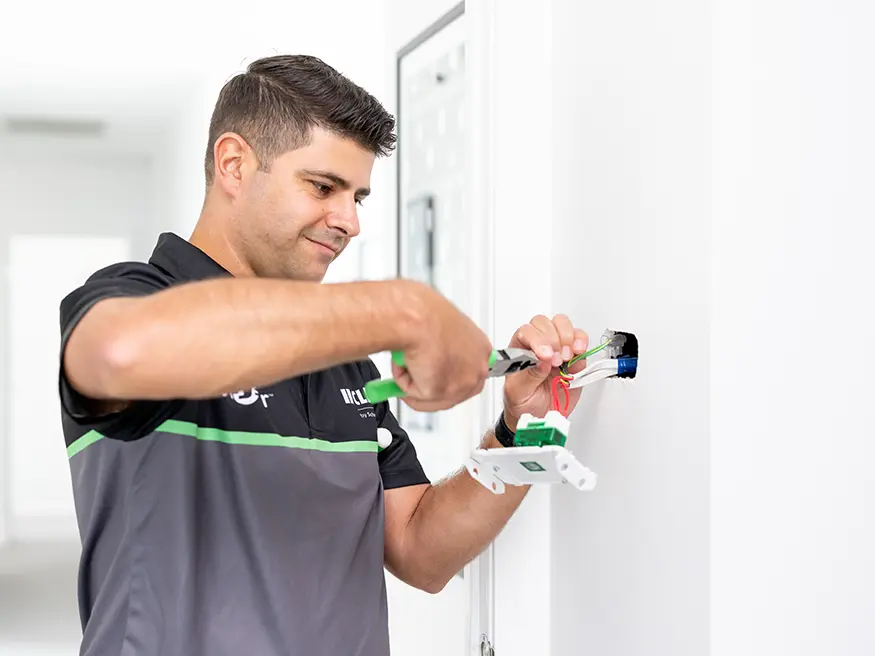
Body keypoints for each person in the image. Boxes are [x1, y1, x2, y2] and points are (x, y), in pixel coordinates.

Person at [58, 54, 590, 656]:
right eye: (322, 187)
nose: (350, 221)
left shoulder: (346, 363)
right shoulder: (133, 298)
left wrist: (518, 429)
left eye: (357, 196)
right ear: (233, 164)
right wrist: (407, 309)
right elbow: (121, 351)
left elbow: (421, 553)